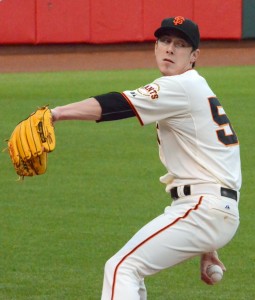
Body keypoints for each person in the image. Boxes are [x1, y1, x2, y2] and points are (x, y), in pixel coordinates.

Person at [51, 16, 241, 300]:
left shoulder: (181, 86)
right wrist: (208, 245)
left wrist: (55, 113)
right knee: (129, 271)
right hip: (212, 209)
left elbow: (118, 104)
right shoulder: (195, 88)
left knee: (121, 268)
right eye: (164, 41)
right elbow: (214, 165)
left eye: (180, 44)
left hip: (204, 208)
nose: (169, 49)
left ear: (194, 56)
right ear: (155, 46)